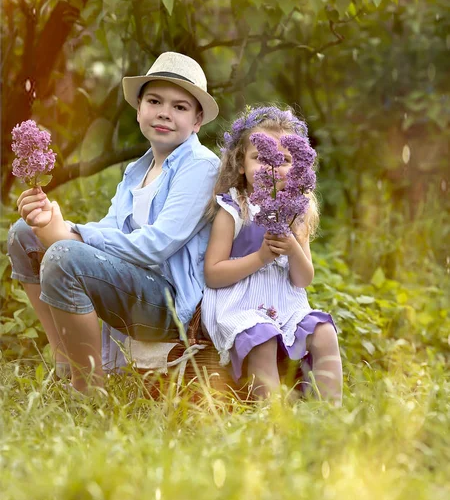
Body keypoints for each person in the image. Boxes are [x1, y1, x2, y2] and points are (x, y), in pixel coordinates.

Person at [8, 52, 220, 394]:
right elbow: (111, 229)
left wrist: (72, 235)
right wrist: (52, 221)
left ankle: (88, 389)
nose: (165, 112)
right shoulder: (138, 169)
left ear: (197, 122)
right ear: (139, 110)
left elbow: (156, 246)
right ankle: (65, 362)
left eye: (180, 107)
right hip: (134, 283)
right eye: (154, 101)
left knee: (65, 255)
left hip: (169, 302)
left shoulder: (201, 166)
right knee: (24, 233)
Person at [201, 106, 343, 403]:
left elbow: (303, 279)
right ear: (241, 164)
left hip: (286, 304)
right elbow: (213, 274)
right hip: (241, 304)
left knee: (325, 333)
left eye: (286, 160)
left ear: (299, 168)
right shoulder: (234, 209)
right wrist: (261, 258)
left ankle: (332, 414)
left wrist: (292, 248)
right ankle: (275, 419)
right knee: (263, 338)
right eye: (262, 158)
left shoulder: (296, 214)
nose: (274, 167)